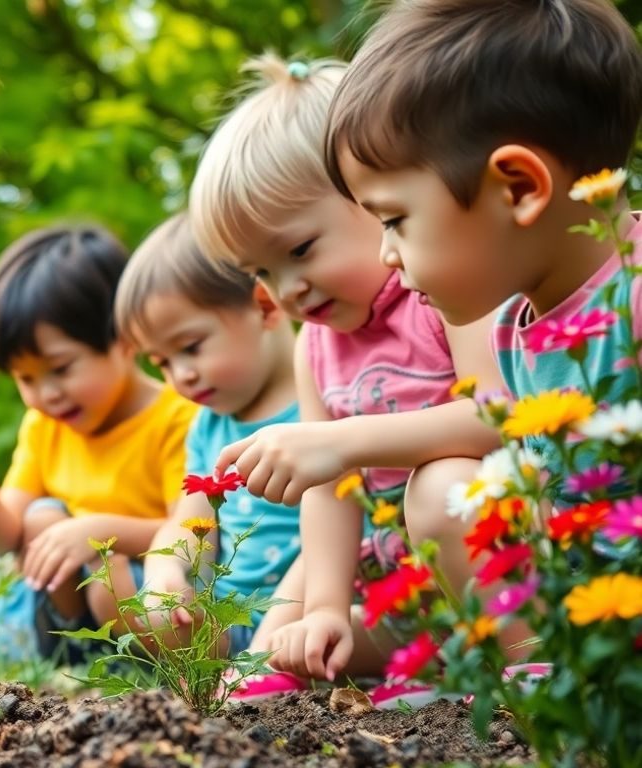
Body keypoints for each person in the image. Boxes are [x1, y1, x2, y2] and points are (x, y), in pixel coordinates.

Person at [187, 56, 504, 704]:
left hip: (491, 564)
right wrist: (325, 607)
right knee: (291, 633)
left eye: (300, 251)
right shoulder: (316, 346)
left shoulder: (443, 293)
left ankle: (482, 670)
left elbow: (496, 417)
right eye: (263, 273)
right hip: (397, 590)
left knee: (445, 490)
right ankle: (322, 662)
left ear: (377, 202)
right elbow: (329, 492)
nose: (288, 290)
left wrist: (346, 441)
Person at [326, 0, 642, 447]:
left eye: (395, 220)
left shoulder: (634, 300)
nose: (386, 254)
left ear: (518, 189)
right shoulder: (512, 324)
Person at [0, 223, 197, 660]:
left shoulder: (177, 418)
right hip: (77, 601)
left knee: (77, 541)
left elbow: (189, 533)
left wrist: (97, 534)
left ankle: (125, 662)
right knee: (40, 519)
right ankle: (68, 650)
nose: (46, 394)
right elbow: (6, 538)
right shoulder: (44, 425)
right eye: (25, 378)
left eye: (61, 369)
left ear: (125, 338)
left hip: (158, 592)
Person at [114, 212, 302, 658]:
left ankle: (274, 658)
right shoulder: (208, 427)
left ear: (265, 306)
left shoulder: (320, 403)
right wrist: (165, 573)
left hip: (318, 609)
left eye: (191, 347)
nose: (180, 375)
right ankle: (243, 660)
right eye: (160, 362)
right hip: (233, 623)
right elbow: (187, 517)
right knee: (141, 606)